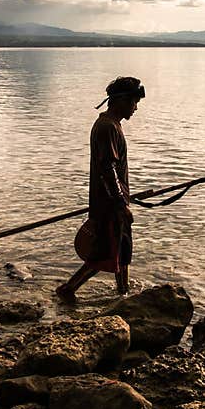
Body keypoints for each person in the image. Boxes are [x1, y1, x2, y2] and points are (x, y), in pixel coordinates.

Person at [56, 76, 144, 299]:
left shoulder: (111, 125)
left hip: (112, 200)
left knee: (122, 250)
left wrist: (124, 198)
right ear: (121, 100)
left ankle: (123, 293)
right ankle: (68, 289)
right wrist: (121, 203)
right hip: (109, 203)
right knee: (106, 252)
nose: (135, 108)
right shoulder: (107, 128)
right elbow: (108, 169)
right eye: (133, 102)